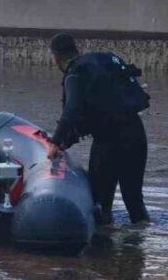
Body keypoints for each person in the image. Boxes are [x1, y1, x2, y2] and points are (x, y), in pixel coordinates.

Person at [46, 34, 151, 225]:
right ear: (76, 49)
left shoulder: (75, 74)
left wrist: (55, 142)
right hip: (136, 135)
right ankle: (138, 249)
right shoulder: (100, 65)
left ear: (55, 58)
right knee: (134, 199)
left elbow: (72, 110)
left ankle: (102, 250)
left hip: (108, 142)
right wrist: (65, 142)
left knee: (101, 202)